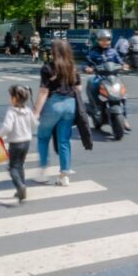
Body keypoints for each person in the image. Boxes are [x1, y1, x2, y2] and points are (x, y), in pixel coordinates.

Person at [35, 39, 92, 187]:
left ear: (54, 52)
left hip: (54, 104)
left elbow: (43, 91)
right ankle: (64, 176)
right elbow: (78, 88)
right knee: (64, 141)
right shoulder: (72, 67)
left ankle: (42, 173)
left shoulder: (48, 68)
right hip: (70, 105)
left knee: (43, 137)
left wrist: (36, 112)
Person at [0, 85, 38, 201]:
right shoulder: (28, 110)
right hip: (26, 142)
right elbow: (34, 124)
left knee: (12, 167)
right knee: (20, 165)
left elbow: (7, 127)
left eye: (11, 97)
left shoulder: (11, 111)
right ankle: (22, 187)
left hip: (15, 143)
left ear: (14, 99)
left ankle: (20, 187)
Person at [85, 29, 130, 130]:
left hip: (113, 77)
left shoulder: (113, 51)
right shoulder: (93, 52)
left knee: (122, 94)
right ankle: (96, 107)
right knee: (93, 84)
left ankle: (125, 118)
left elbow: (120, 61)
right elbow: (87, 63)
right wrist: (87, 68)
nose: (105, 42)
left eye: (107, 40)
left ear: (110, 40)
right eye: (102, 40)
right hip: (100, 77)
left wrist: (124, 65)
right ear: (98, 40)